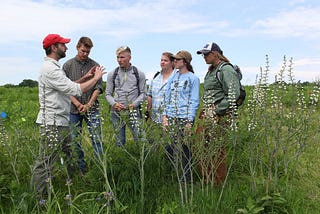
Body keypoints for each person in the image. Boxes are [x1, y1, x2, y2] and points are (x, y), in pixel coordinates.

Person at [31, 33, 105, 201]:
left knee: (70, 154)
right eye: (62, 44)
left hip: (61, 121)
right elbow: (75, 90)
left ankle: (74, 184)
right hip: (53, 122)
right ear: (53, 47)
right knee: (45, 161)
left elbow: (66, 86)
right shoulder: (50, 69)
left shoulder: (54, 67)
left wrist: (85, 77)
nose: (66, 47)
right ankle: (38, 199)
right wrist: (96, 78)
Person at [195, 42, 240, 186]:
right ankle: (206, 179)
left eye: (206, 54)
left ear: (215, 53)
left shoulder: (226, 70)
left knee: (217, 148)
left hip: (220, 114)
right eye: (203, 54)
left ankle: (218, 183)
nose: (204, 57)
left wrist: (217, 110)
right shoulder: (211, 70)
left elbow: (233, 94)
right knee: (201, 145)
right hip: (207, 113)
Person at [63, 37, 104, 176]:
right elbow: (65, 88)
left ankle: (100, 169)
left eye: (88, 51)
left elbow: (98, 88)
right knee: (75, 140)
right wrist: (78, 103)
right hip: (73, 109)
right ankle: (81, 169)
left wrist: (88, 105)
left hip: (91, 108)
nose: (85, 54)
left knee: (96, 138)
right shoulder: (67, 65)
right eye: (83, 51)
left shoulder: (95, 65)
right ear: (77, 47)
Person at [162, 50, 200, 183]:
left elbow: (194, 100)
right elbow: (167, 96)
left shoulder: (193, 78)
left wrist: (189, 121)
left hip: (184, 118)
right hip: (172, 116)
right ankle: (170, 176)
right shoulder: (174, 76)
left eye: (177, 60)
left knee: (185, 149)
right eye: (174, 60)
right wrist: (165, 116)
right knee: (171, 146)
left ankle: (187, 179)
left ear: (185, 62)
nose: (174, 62)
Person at [105, 46, 146, 146]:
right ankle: (120, 159)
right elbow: (108, 94)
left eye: (122, 57)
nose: (119, 60)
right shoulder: (112, 74)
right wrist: (114, 104)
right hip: (117, 112)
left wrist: (134, 104)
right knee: (119, 141)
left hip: (133, 112)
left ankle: (143, 159)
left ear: (129, 58)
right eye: (118, 57)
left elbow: (143, 94)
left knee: (141, 139)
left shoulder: (138, 73)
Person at [145, 52, 175, 142]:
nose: (162, 62)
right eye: (161, 60)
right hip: (155, 118)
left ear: (172, 62)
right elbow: (150, 95)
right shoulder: (156, 77)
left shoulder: (177, 77)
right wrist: (147, 111)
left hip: (170, 119)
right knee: (153, 144)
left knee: (169, 145)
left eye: (165, 60)